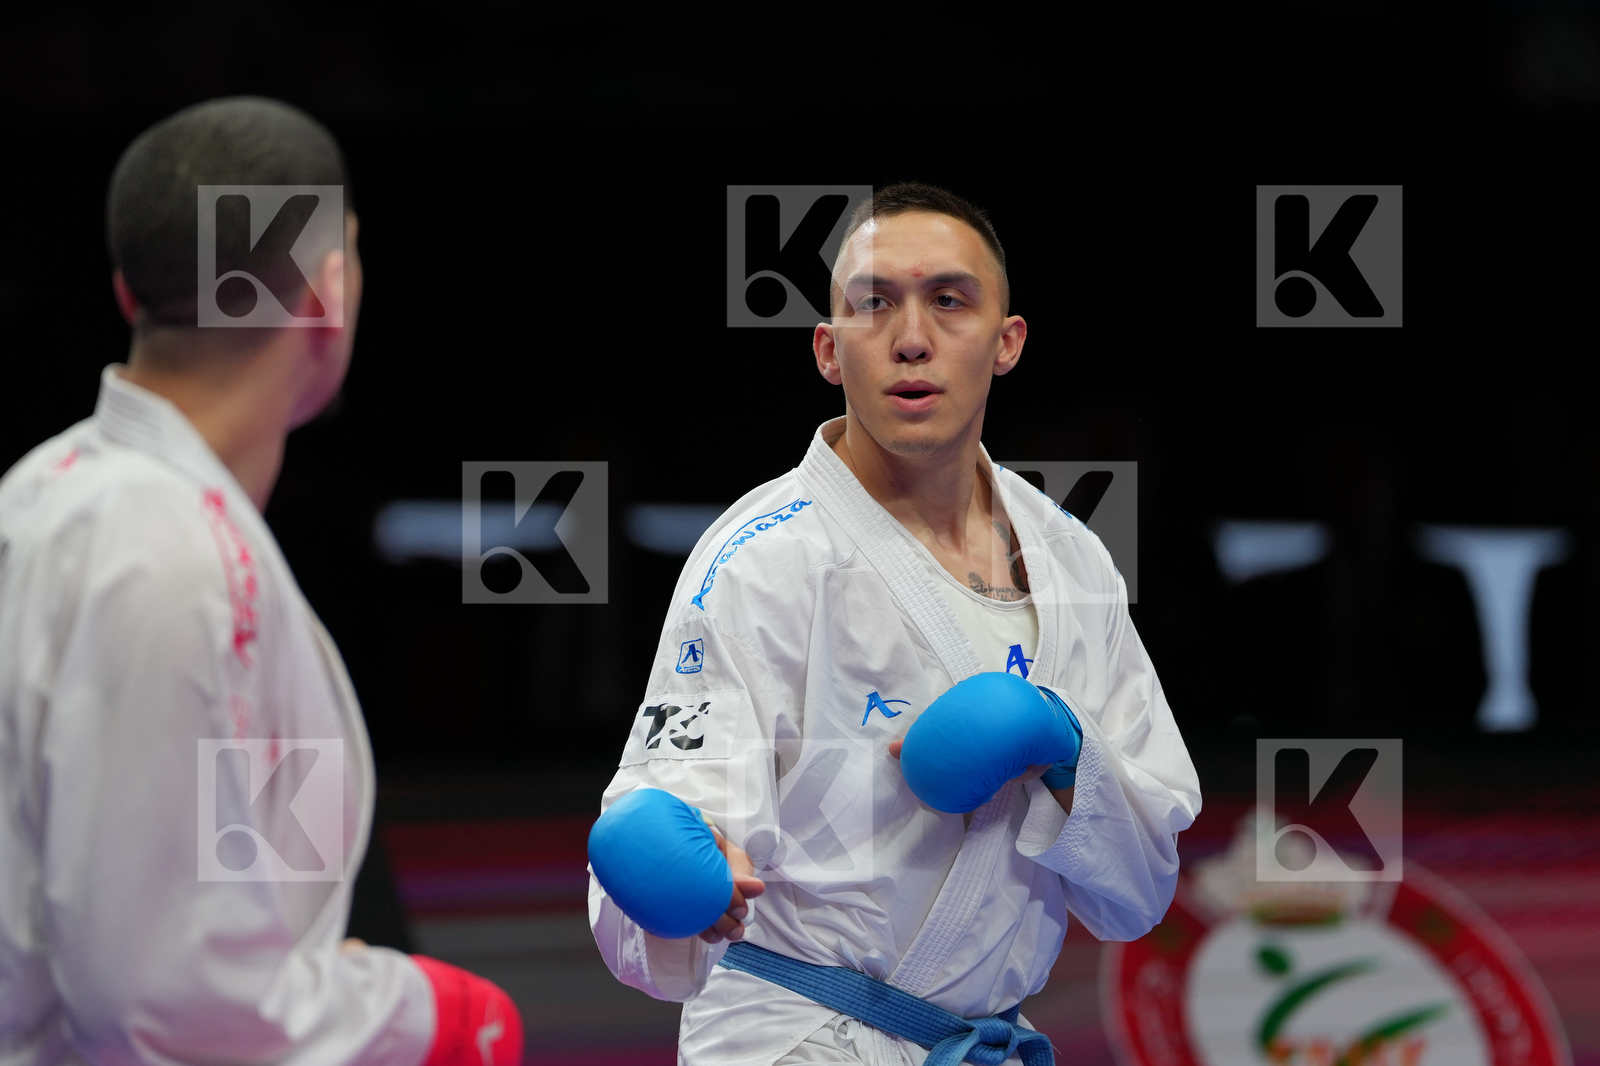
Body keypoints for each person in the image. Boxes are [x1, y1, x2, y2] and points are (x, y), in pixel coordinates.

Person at [588, 183, 1201, 1064]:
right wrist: (692, 871)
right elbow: (664, 832)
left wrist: (1070, 752)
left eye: (949, 301)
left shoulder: (1075, 563)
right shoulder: (762, 560)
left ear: (1008, 342)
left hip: (983, 1039)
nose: (912, 337)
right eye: (875, 304)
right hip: (800, 1039)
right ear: (829, 352)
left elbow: (1138, 893)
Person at [0, 97, 521, 1065]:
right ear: (329, 286)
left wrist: (322, 972)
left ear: (126, 293)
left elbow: (230, 909)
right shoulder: (161, 552)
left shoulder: (47, 493)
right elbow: (150, 996)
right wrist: (413, 1014)